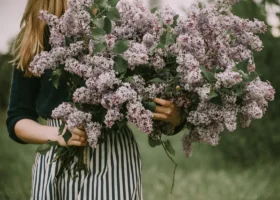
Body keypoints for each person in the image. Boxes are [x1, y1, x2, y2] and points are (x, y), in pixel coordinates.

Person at [6, 0, 186, 199]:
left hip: (113, 159)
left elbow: (147, 103)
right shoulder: (35, 37)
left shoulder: (118, 30)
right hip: (56, 160)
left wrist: (175, 117)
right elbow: (18, 118)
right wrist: (58, 133)